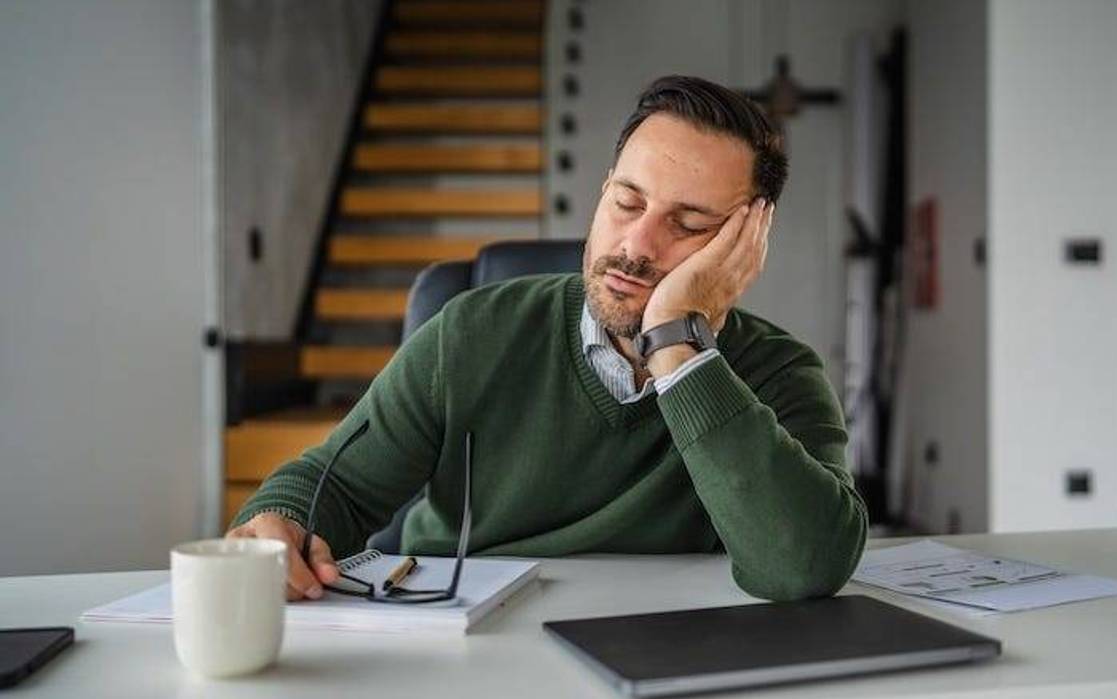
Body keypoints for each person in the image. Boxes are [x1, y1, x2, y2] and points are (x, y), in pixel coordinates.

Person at [227, 75, 867, 603]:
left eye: (689, 223)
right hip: (463, 641)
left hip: (665, 647)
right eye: (626, 202)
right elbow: (334, 485)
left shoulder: (781, 373)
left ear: (745, 246)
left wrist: (679, 346)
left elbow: (804, 567)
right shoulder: (471, 331)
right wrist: (278, 523)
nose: (636, 245)